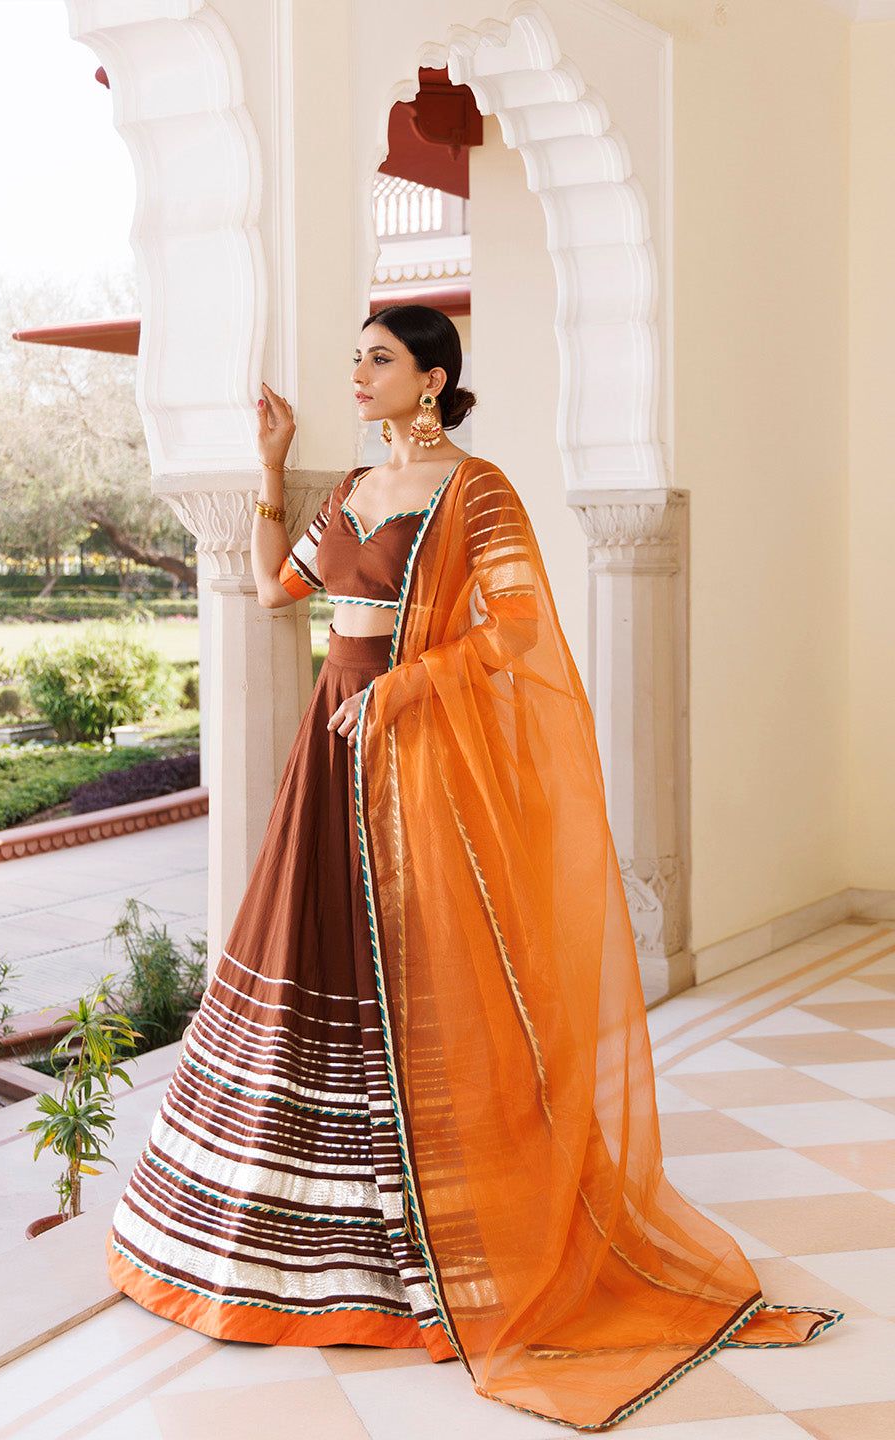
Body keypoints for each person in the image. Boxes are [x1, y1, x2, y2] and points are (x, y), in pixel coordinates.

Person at [107, 305, 840, 1430]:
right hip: (331, 751)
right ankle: (297, 1236)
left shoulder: (476, 489)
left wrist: (410, 683)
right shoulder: (353, 486)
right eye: (356, 355)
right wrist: (266, 471)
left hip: (413, 758)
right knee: (315, 961)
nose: (359, 372)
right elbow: (272, 590)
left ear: (434, 378)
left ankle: (439, 1230)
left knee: (423, 978)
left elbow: (517, 629)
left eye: (380, 358)